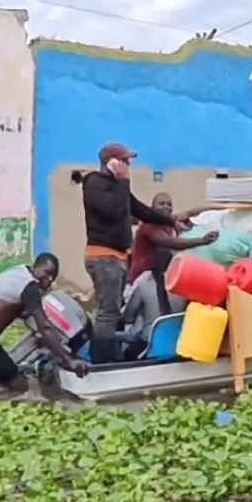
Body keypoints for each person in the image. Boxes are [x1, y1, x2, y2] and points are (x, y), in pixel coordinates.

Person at [73, 143, 176, 364]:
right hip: (104, 257)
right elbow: (112, 210)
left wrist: (171, 220)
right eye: (125, 161)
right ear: (111, 163)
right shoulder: (94, 183)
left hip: (116, 258)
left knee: (112, 313)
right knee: (108, 314)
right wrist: (123, 180)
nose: (129, 166)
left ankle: (111, 356)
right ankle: (101, 363)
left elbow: (137, 209)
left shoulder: (117, 187)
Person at [0, 253, 87, 396]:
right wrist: (68, 360)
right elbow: (44, 327)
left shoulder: (16, 272)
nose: (48, 279)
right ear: (36, 267)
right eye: (46, 273)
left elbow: (11, 309)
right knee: (19, 386)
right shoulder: (30, 288)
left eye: (52, 277)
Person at [129, 192, 216, 283]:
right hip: (143, 277)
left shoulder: (169, 220)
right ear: (152, 208)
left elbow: (191, 212)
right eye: (161, 204)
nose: (166, 207)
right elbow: (173, 243)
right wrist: (202, 241)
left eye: (169, 204)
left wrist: (221, 208)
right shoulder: (149, 225)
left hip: (160, 275)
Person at [122, 246, 185, 358]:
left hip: (150, 347)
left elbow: (128, 317)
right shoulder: (183, 280)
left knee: (124, 353)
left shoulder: (143, 282)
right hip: (180, 345)